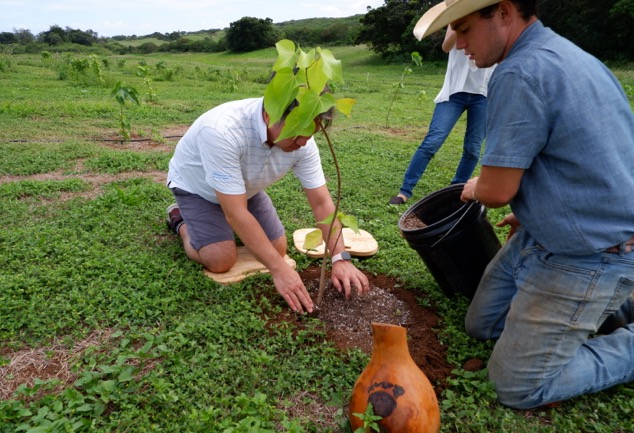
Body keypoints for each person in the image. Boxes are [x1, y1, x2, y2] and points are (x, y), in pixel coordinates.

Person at [414, 0, 634, 409]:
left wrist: (474, 185)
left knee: (514, 387)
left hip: (589, 252)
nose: (459, 44)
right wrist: (541, 207)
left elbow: (495, 191)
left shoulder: (519, 71)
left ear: (504, 12)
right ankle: (605, 303)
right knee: (481, 326)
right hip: (549, 234)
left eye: (464, 29)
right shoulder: (564, 53)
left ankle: (620, 320)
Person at [165, 96, 370, 314]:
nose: (303, 141)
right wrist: (279, 270)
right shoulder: (222, 131)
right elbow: (236, 213)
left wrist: (340, 257)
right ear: (268, 116)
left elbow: (321, 203)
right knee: (220, 259)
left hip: (245, 188)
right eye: (297, 133)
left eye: (310, 133)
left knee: (277, 249)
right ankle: (180, 221)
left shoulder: (302, 141)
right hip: (198, 189)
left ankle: (216, 229)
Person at [389, 25, 495, 205]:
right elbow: (446, 47)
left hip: (484, 93)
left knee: (473, 148)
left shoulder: (493, 20)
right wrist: (458, 22)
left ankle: (456, 191)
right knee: (433, 140)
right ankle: (405, 191)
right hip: (454, 92)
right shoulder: (455, 18)